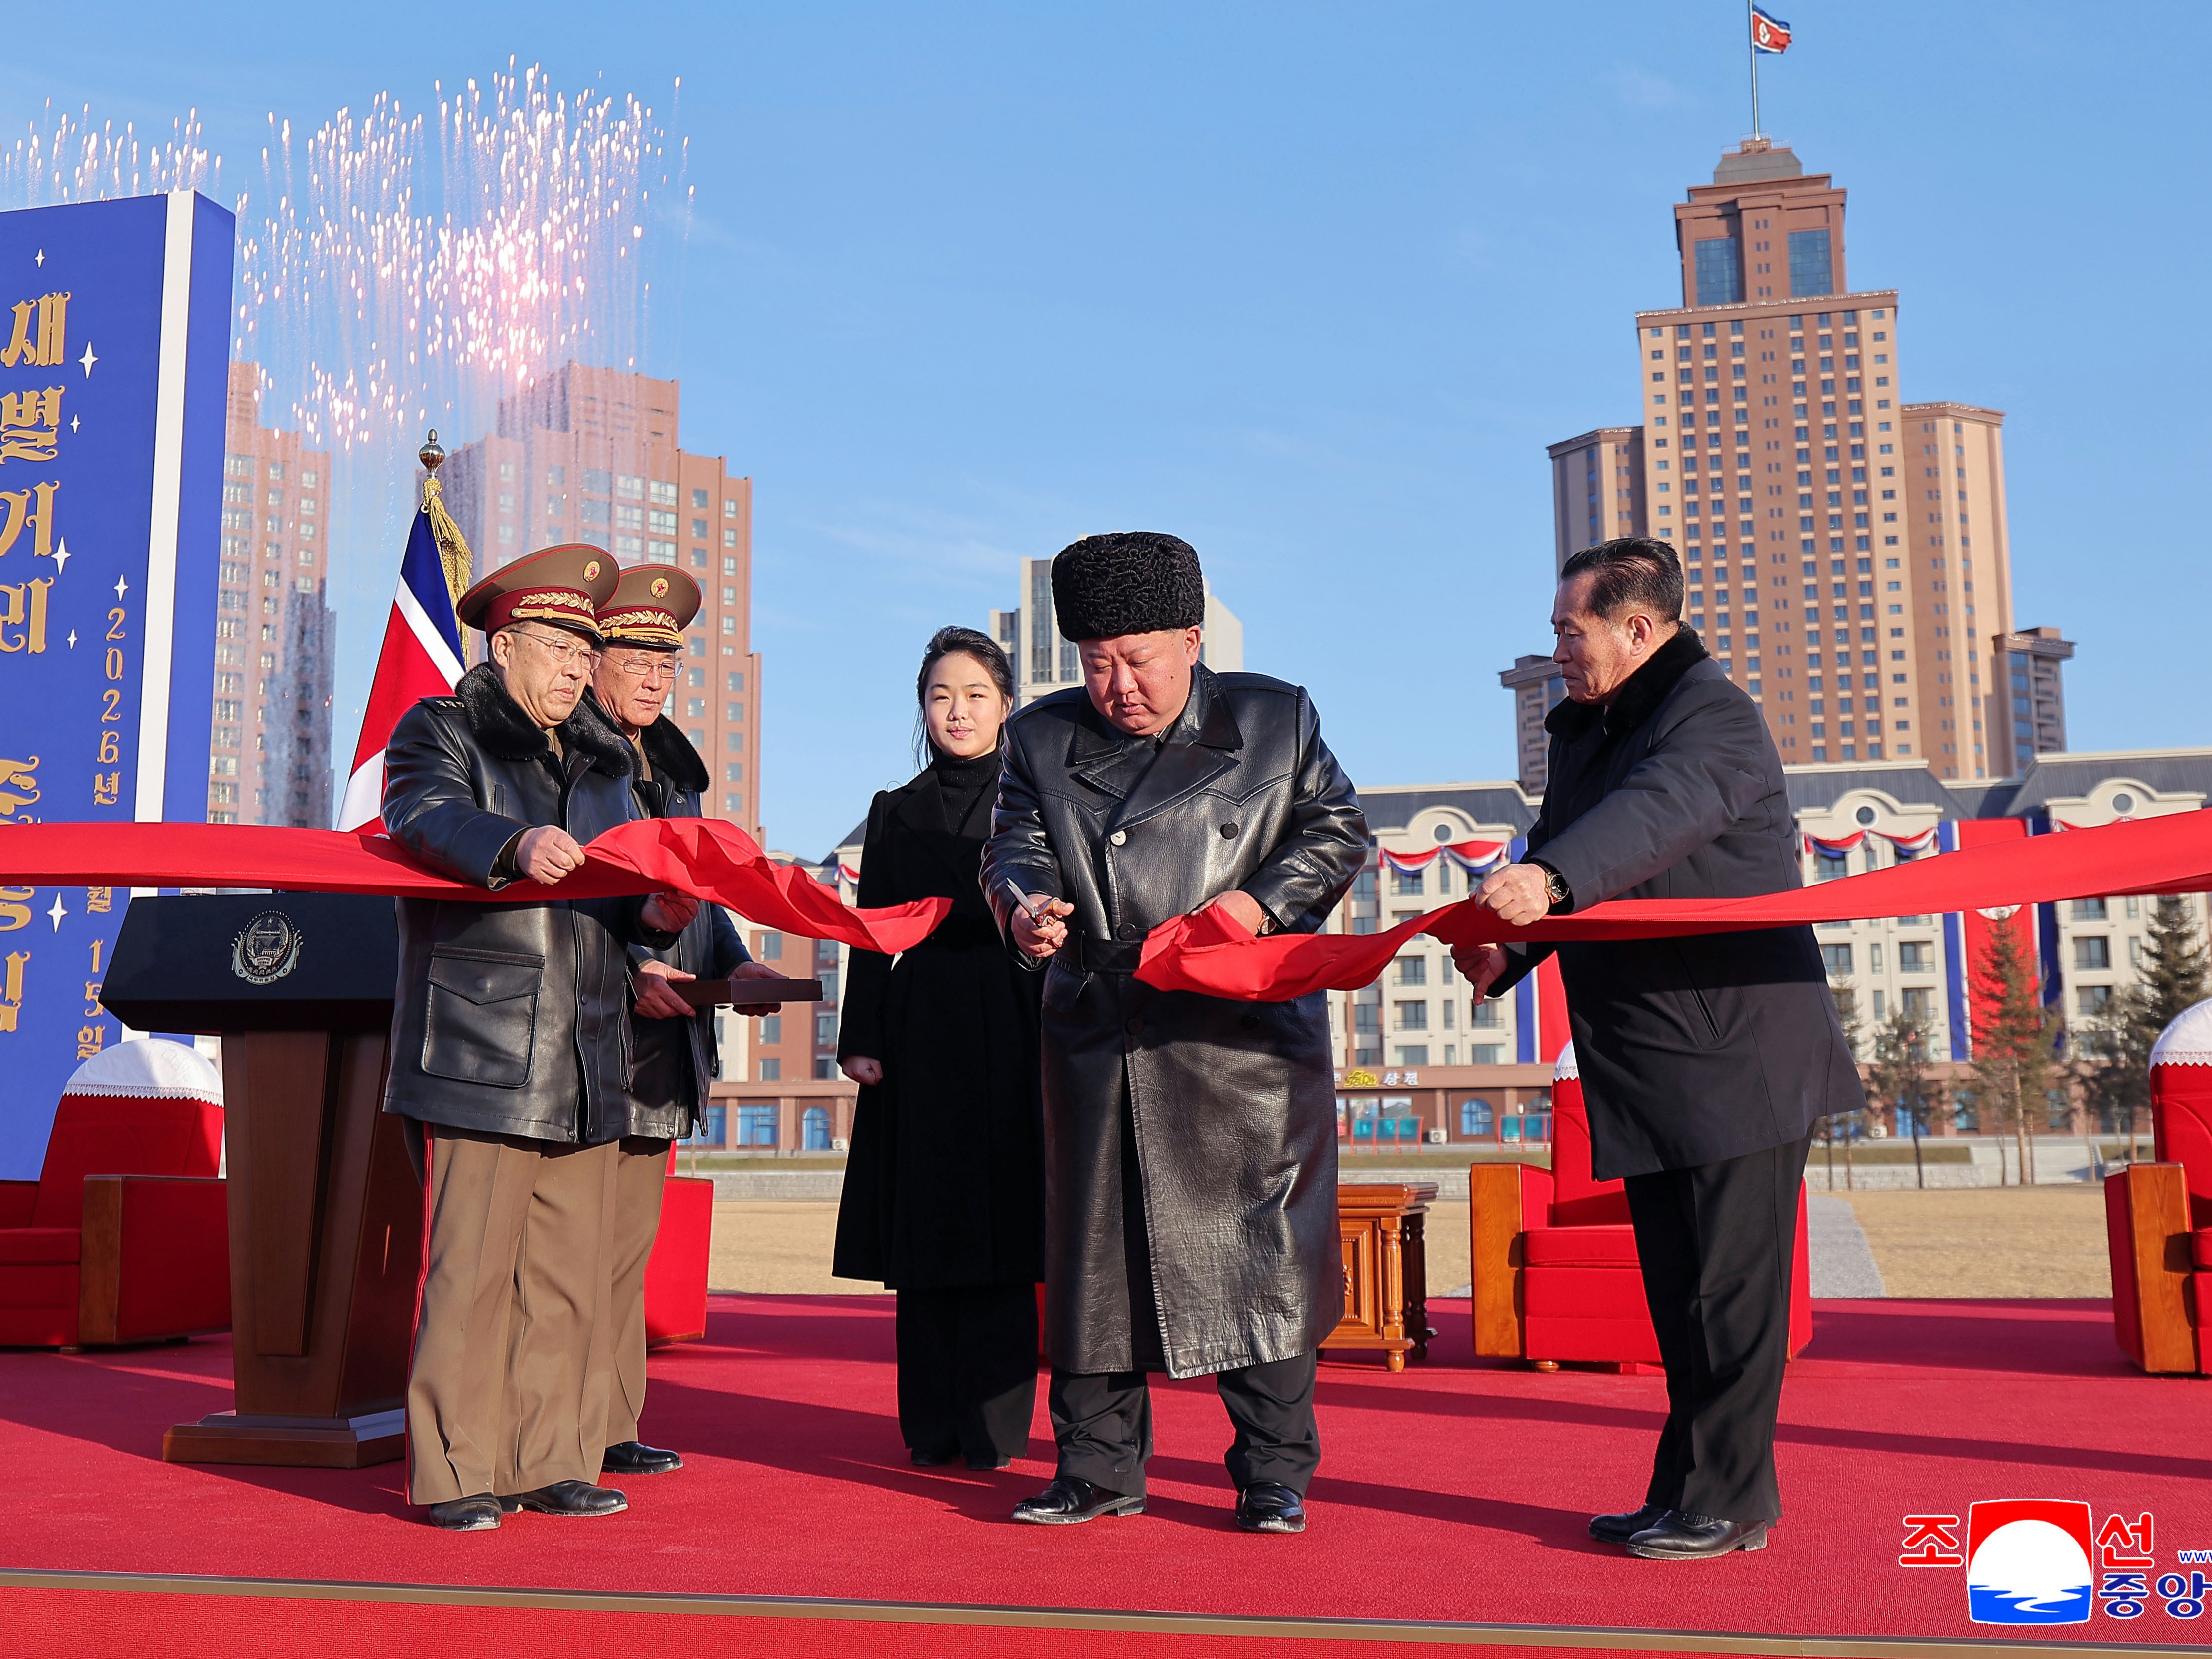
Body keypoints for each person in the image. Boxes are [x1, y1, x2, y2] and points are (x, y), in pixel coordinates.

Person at [1451, 536, 1863, 1562]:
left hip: (1737, 1052)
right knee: (1681, 1298)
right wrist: (1510, 951)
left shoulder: (1711, 716)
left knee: (1731, 1296)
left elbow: (1652, 819)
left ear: (1637, 629)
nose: (1557, 649)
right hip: (1651, 1056)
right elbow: (1572, 850)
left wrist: (1547, 882)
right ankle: (1683, 1490)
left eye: (1570, 630)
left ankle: (1731, 1500)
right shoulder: (1591, 731)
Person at [981, 532, 1366, 1535]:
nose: (1119, 685)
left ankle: (1272, 1470)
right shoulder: (1039, 737)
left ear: (1191, 641)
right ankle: (1095, 1464)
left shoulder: (1274, 718)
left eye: (1140, 659)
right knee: (1092, 1259)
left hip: (1240, 1034)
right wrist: (1024, 905)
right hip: (1100, 1025)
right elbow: (1012, 844)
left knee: (1259, 1253)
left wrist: (1258, 905)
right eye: (1096, 662)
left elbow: (1337, 828)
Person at [382, 544, 701, 1533]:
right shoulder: (440, 729)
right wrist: (511, 844)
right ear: (505, 645)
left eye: (583, 652)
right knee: (473, 1272)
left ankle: (550, 1458)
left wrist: (655, 914)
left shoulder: (606, 765)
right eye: (558, 648)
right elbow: (421, 816)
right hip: (484, 1046)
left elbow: (616, 894)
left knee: (565, 1275)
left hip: (589, 1048)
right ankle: (454, 1467)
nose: (574, 668)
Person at [583, 566, 792, 1483]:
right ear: (592, 659)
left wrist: (737, 963)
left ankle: (607, 1422)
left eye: (667, 660)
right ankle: (550, 1432)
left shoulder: (673, 775)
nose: (655, 675)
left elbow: (694, 902)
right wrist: (628, 967)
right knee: (566, 1258)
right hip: (589, 1039)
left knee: (622, 1259)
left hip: (664, 1048)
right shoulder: (572, 764)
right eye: (636, 655)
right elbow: (563, 906)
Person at [833, 627, 1046, 1472]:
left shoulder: (1038, 798)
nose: (957, 711)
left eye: (975, 695)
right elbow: (870, 930)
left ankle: (994, 1431)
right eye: (940, 697)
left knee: (1005, 1230)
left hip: (1016, 1018)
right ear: (923, 709)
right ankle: (931, 1425)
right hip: (920, 1029)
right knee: (925, 1229)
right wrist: (861, 1035)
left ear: (1006, 705)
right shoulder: (895, 808)